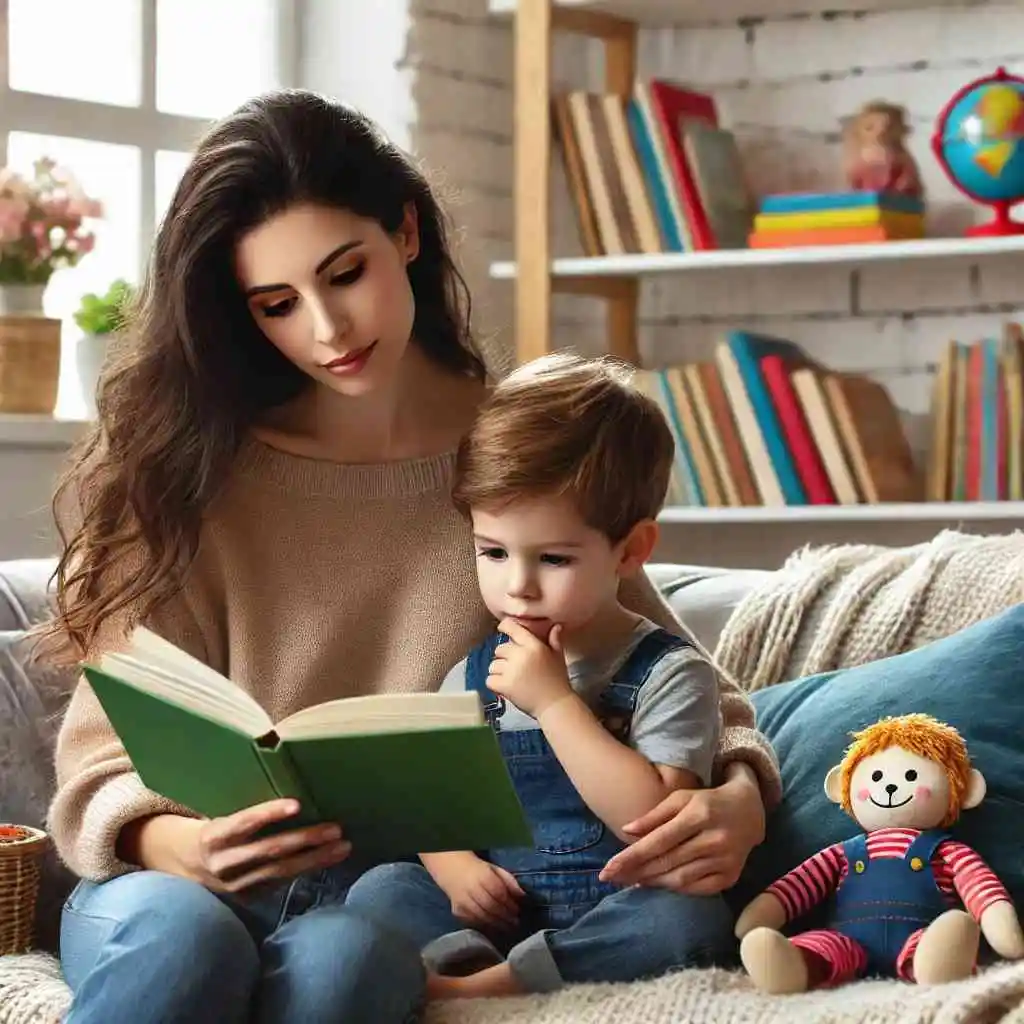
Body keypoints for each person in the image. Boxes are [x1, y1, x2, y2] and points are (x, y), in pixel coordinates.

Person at [41, 89, 779, 1024]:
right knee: (184, 944)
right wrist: (176, 846)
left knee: (352, 967)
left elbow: (672, 676)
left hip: (386, 901)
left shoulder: (518, 452)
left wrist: (742, 797)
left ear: (408, 232)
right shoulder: (186, 468)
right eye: (276, 304)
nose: (327, 329)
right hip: (174, 891)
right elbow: (99, 756)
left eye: (345, 273)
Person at [345, 354, 741, 999]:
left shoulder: (670, 673)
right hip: (494, 911)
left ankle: (487, 987)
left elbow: (651, 818)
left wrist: (555, 702)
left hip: (617, 902)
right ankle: (463, 958)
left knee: (688, 917)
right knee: (382, 886)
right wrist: (454, 872)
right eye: (493, 552)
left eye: (553, 558)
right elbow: (432, 807)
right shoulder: (472, 675)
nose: (518, 586)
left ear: (632, 550)